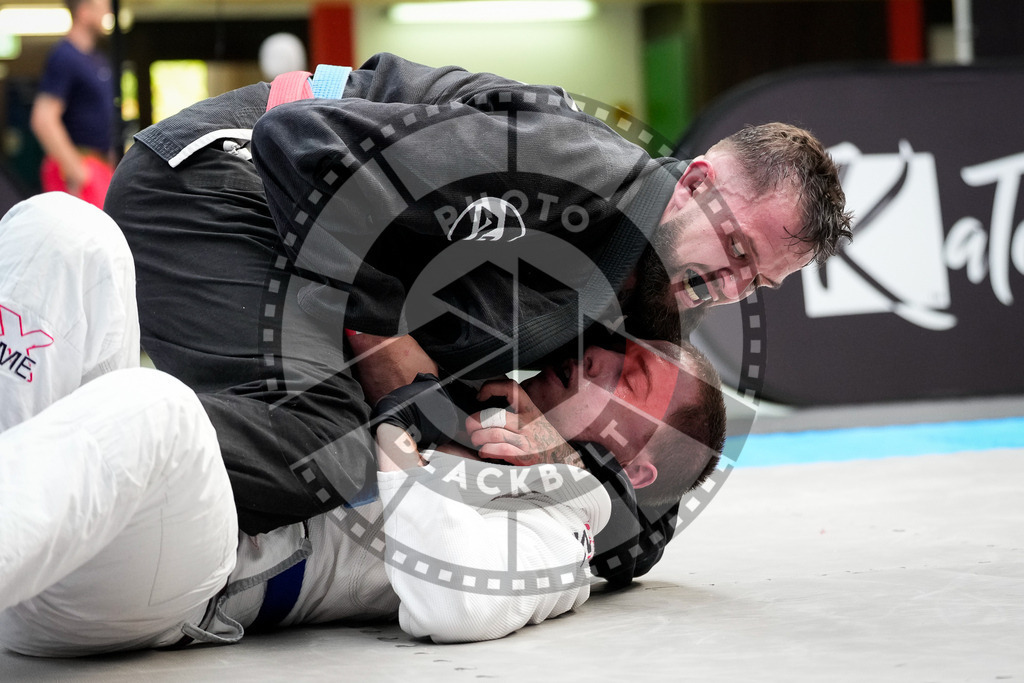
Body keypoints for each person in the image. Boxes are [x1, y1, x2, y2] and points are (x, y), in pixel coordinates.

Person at [105, 51, 844, 583]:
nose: (732, 285)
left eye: (759, 280)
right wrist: (385, 338)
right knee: (328, 443)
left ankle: (94, 446)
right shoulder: (568, 169)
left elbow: (648, 527)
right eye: (739, 249)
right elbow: (299, 142)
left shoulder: (650, 300)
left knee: (400, 441)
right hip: (217, 181)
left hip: (284, 229)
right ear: (698, 182)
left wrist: (559, 452)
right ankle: (69, 448)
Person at [0, 193, 723, 656]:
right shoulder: (487, 395)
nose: (597, 357)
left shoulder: (565, 532)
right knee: (69, 233)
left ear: (637, 466)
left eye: (628, 381)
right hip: (66, 534)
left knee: (160, 409)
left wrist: (407, 426)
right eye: (614, 350)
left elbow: (460, 604)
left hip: (174, 584)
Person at [30, 0, 116, 209]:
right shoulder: (65, 56)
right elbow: (43, 119)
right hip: (78, 169)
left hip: (100, 167)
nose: (107, 11)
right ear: (84, 12)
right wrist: (75, 170)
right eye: (100, 6)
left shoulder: (98, 60)